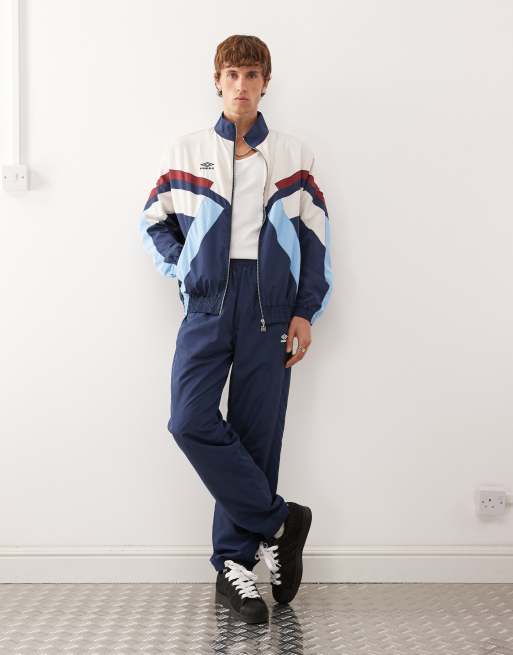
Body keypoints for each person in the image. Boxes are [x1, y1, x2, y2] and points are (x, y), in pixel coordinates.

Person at [138, 34, 333, 624]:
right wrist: (186, 269)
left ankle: (234, 568)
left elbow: (315, 239)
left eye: (251, 74)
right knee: (189, 419)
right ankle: (280, 521)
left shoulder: (294, 154)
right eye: (231, 74)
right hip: (207, 304)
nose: (241, 85)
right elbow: (153, 221)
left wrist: (305, 310)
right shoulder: (188, 150)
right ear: (217, 81)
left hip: (271, 306)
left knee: (256, 436)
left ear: (265, 83)